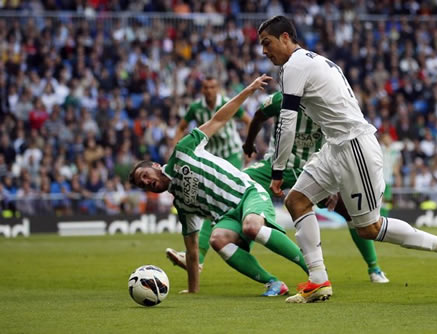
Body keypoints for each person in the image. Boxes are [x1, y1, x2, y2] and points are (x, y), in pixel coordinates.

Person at [258, 16, 437, 303]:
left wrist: (277, 169)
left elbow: (288, 120)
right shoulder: (313, 61)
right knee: (297, 201)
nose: (264, 51)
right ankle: (318, 281)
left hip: (353, 145)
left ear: (285, 38)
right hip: (335, 145)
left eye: (266, 43)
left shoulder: (294, 65)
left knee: (369, 228)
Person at [167, 91, 390, 284]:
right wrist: (249, 142)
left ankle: (374, 268)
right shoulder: (280, 100)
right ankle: (197, 260)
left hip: (314, 168)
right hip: (274, 167)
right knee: (230, 193)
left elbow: (339, 141)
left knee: (351, 211)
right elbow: (257, 116)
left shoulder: (328, 106)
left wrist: (334, 182)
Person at [129, 75, 309, 296]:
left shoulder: (183, 151)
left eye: (145, 175)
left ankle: (313, 268)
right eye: (142, 183)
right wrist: (193, 290)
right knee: (216, 238)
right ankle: (273, 283)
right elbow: (192, 250)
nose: (146, 181)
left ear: (156, 165)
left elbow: (218, 120)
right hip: (228, 216)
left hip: (248, 193)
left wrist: (249, 89)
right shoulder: (182, 205)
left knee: (251, 226)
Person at [169, 76, 252, 271]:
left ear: (218, 88)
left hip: (231, 156)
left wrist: (248, 145)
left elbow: (248, 120)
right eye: (206, 87)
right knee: (212, 207)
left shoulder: (226, 103)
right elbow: (181, 127)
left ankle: (198, 258)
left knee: (213, 207)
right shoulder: (196, 108)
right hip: (210, 158)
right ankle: (236, 240)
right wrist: (175, 150)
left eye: (213, 87)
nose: (209, 90)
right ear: (202, 90)